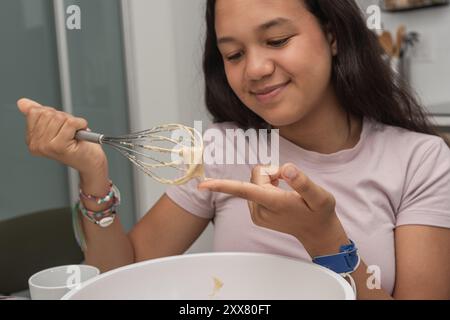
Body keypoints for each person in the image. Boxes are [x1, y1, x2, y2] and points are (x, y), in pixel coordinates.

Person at [17, 0, 449, 300]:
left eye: (277, 40)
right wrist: (93, 175)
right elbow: (117, 278)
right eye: (234, 54)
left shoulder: (421, 162)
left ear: (332, 36)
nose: (256, 70)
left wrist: (325, 241)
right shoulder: (221, 149)